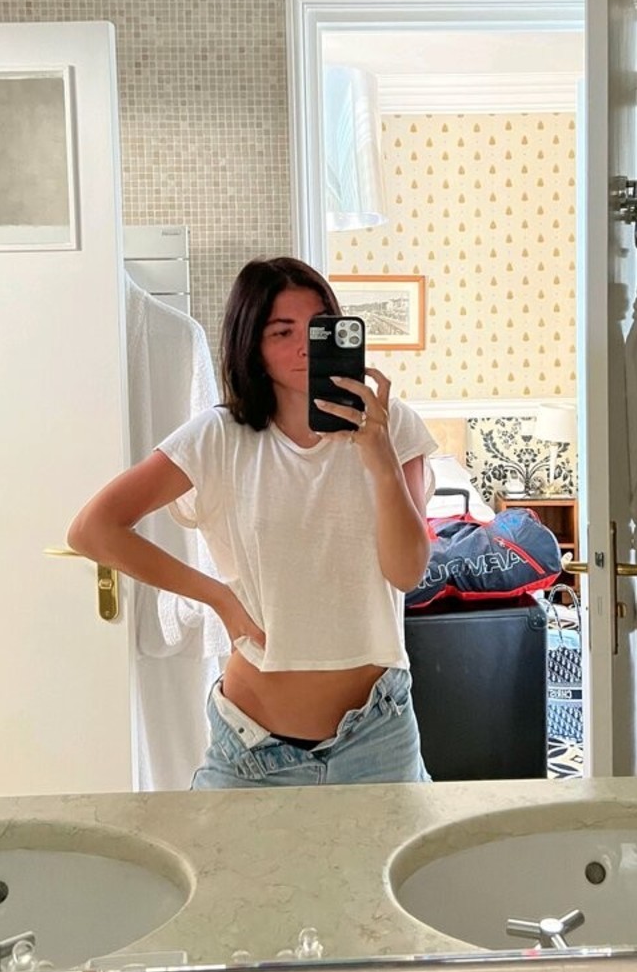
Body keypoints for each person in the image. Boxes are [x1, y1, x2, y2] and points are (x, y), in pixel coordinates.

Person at [68, 256, 437, 787]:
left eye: (319, 327)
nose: (305, 346)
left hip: (377, 738)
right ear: (252, 345)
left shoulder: (392, 426)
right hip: (252, 748)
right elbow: (93, 529)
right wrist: (219, 598)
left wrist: (380, 459)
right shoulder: (219, 437)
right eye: (282, 332)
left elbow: (407, 572)